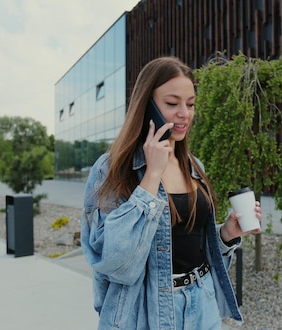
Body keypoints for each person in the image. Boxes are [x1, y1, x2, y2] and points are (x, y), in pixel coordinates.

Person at [81, 56, 262, 330]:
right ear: (147, 106)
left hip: (203, 304)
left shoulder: (193, 164)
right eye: (171, 103)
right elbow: (115, 263)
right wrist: (152, 176)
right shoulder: (112, 168)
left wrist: (226, 234)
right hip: (146, 313)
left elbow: (188, 240)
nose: (185, 114)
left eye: (190, 104)